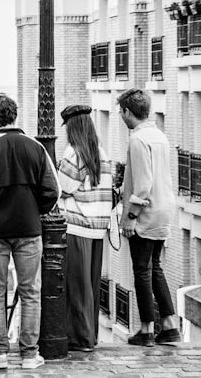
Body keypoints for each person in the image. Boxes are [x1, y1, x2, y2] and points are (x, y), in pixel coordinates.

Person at [0, 93, 60, 371]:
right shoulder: (35, 148)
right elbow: (53, 191)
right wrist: (35, 208)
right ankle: (30, 354)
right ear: (15, 115)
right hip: (29, 229)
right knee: (31, 290)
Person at [116, 88, 181, 346]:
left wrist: (130, 215)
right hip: (164, 208)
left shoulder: (138, 139)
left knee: (141, 270)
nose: (121, 116)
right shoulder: (159, 136)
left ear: (127, 111)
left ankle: (146, 329)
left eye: (121, 112)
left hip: (147, 211)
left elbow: (142, 184)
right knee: (156, 268)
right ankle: (170, 324)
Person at [57, 104, 114, 352]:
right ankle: (90, 334)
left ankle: (80, 337)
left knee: (77, 285)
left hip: (77, 226)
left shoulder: (74, 153)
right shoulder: (100, 152)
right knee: (90, 284)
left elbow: (61, 188)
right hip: (97, 228)